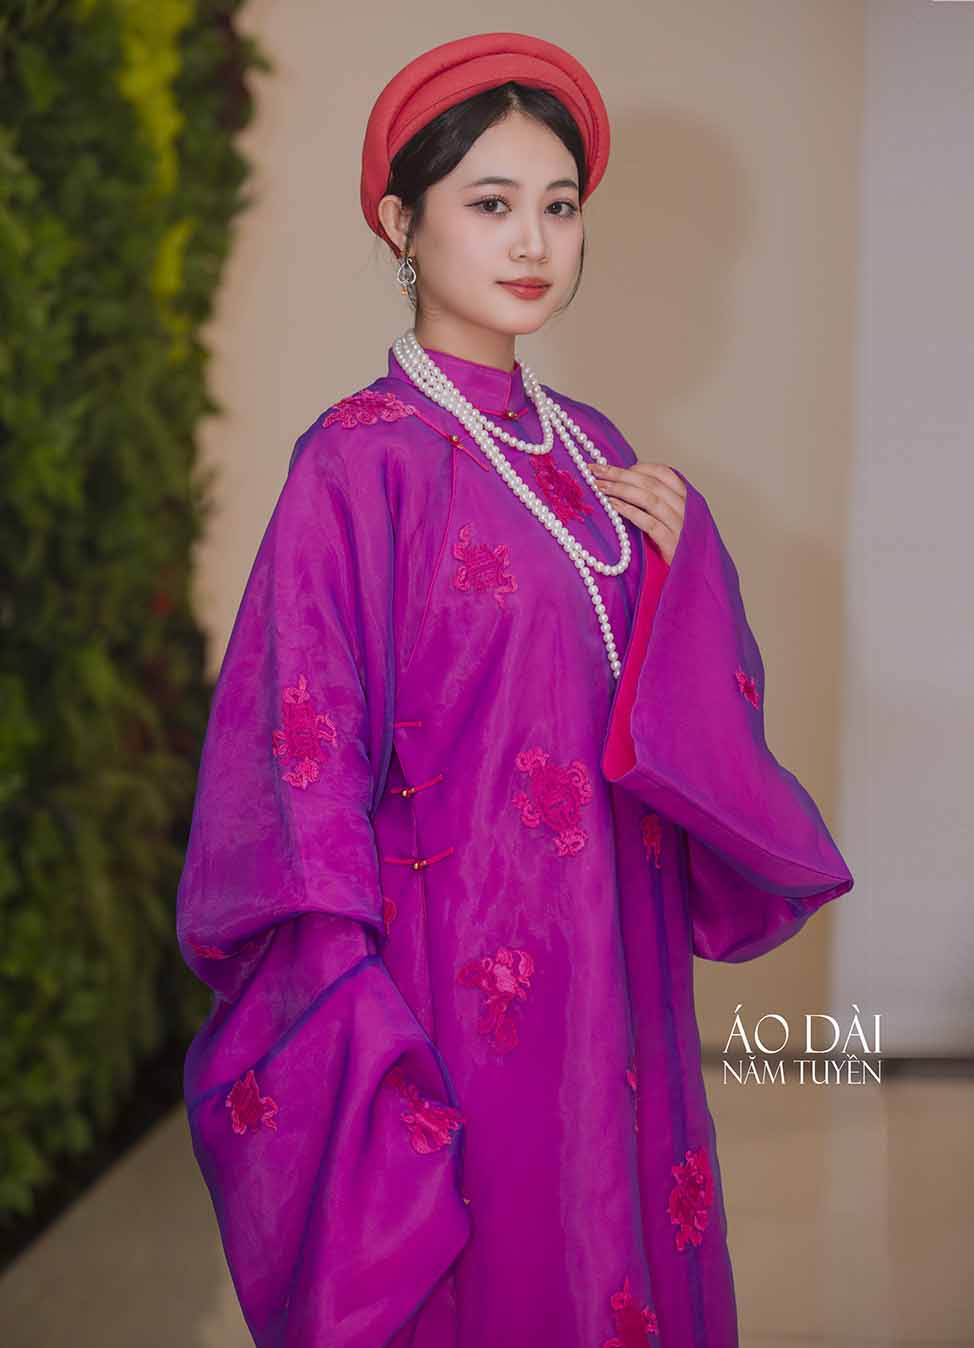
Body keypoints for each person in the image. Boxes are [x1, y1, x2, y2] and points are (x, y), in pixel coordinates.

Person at [176, 31, 854, 1348]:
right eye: (489, 204)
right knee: (505, 1248)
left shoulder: (593, 450)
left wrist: (687, 568)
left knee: (616, 1227)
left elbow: (650, 713)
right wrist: (342, 985)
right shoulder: (356, 463)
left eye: (559, 206)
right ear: (400, 222)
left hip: (613, 950)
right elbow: (296, 739)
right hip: (454, 966)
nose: (533, 242)